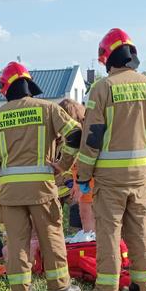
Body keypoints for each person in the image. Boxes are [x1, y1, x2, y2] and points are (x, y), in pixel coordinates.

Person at [0, 61, 82, 291]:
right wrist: (65, 163)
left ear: (6, 89)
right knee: (51, 235)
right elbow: (75, 133)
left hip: (10, 192)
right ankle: (59, 287)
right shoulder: (47, 108)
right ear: (29, 84)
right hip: (42, 188)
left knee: (17, 241)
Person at [77, 28, 146, 291]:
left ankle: (106, 290)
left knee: (109, 233)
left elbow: (92, 136)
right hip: (140, 176)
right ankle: (143, 287)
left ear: (106, 58)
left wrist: (83, 175)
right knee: (139, 232)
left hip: (109, 178)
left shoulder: (102, 88)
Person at [58, 98, 95, 237]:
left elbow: (81, 162)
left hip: (85, 182)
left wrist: (77, 184)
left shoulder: (78, 135)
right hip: (80, 182)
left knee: (87, 217)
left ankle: (89, 245)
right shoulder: (82, 132)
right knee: (84, 216)